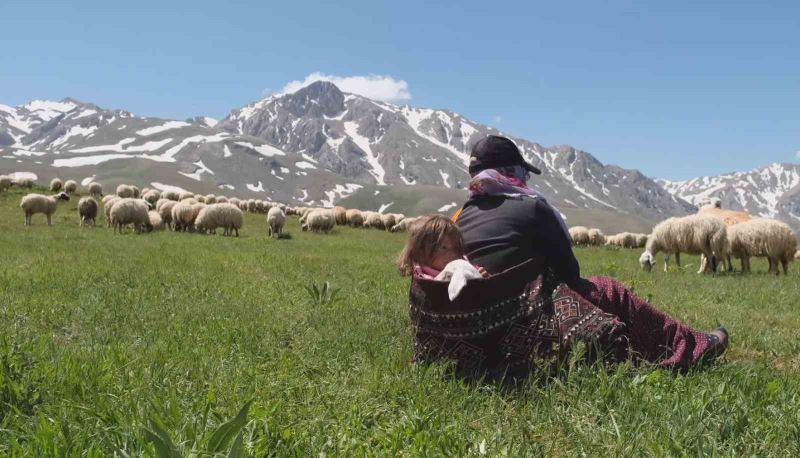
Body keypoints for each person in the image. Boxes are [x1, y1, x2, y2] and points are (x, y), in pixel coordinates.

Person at [450, 135, 728, 372]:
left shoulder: (459, 217)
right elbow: (570, 273)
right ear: (511, 172)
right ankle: (689, 347)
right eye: (522, 171)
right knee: (609, 290)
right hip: (523, 321)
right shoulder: (532, 209)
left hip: (476, 327)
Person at [397, 214, 489, 300]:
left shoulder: (460, 262)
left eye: (456, 247)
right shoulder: (422, 276)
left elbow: (472, 271)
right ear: (420, 252)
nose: (453, 254)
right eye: (443, 248)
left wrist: (482, 275)